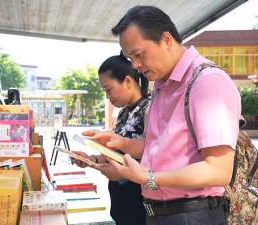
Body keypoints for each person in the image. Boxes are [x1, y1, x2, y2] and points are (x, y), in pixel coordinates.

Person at [88, 5, 240, 225]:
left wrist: (149, 178)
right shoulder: (161, 85)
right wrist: (121, 143)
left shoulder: (207, 82)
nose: (136, 66)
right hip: (159, 213)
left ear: (166, 39)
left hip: (191, 214)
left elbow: (217, 170)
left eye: (139, 55)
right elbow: (155, 145)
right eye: (131, 59)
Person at [74, 54, 149, 225]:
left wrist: (124, 171)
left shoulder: (149, 109)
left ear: (128, 81)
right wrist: (91, 159)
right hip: (121, 201)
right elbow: (117, 154)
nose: (108, 97)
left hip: (140, 201)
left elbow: (152, 156)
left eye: (109, 89)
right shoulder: (124, 113)